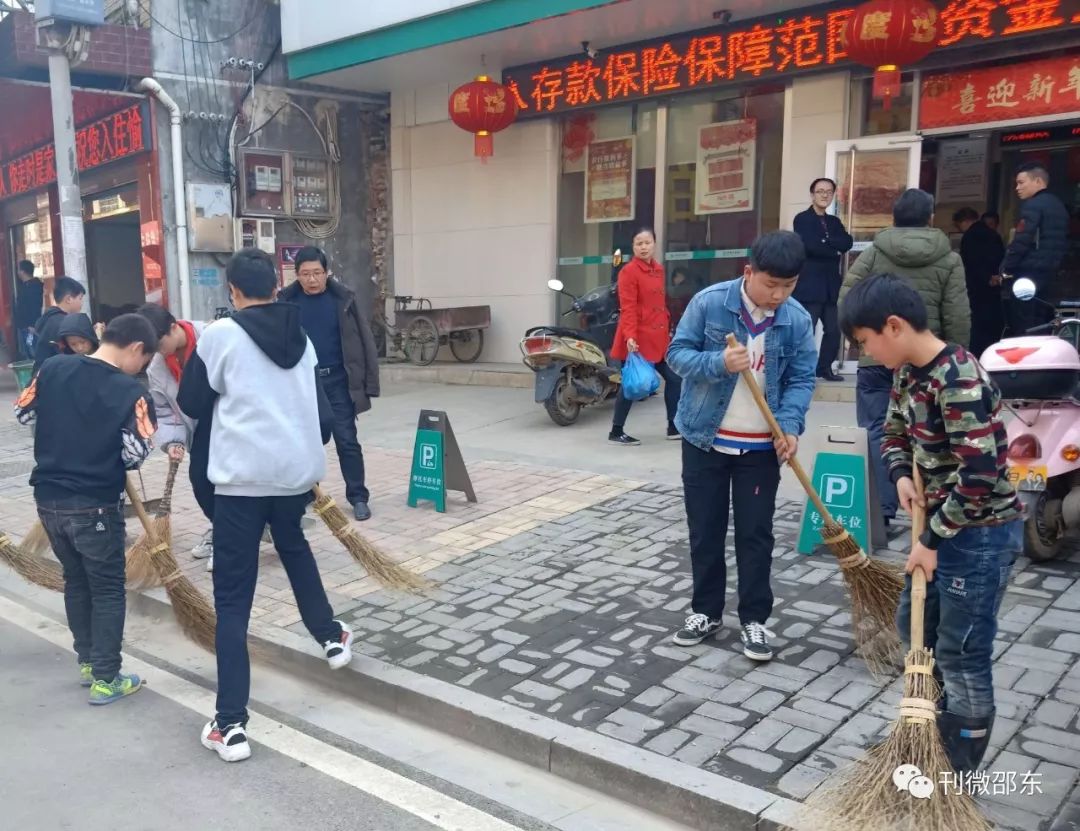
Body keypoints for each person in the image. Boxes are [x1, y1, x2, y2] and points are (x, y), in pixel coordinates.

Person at [840, 273, 1023, 773]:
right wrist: (901, 474)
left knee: (962, 650)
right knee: (915, 628)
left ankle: (959, 763)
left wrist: (931, 540)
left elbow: (981, 475)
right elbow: (895, 430)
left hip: (978, 534)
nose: (865, 352)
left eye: (864, 341)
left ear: (893, 326)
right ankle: (929, 735)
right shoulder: (908, 372)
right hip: (940, 523)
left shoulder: (958, 378)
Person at [178, 248, 354, 763]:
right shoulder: (300, 335)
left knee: (233, 601)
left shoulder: (219, 336)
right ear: (277, 288)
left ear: (232, 291)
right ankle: (332, 636)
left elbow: (192, 403)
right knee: (295, 549)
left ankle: (230, 724)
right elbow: (319, 412)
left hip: (242, 483)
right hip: (293, 475)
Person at [667, 231, 816, 661]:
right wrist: (718, 362)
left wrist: (789, 426)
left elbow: (802, 379)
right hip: (704, 439)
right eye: (771, 284)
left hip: (760, 450)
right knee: (705, 531)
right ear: (748, 272)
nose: (778, 295)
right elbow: (676, 354)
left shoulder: (797, 319)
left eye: (788, 286)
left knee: (756, 535)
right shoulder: (711, 303)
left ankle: (754, 620)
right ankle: (706, 612)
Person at [14, 314, 158, 704]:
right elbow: (135, 454)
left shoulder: (53, 367)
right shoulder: (131, 394)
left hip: (48, 498)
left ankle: (88, 662)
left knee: (75, 580)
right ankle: (106, 677)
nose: (141, 369)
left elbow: (23, 412)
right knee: (108, 588)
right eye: (144, 362)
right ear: (136, 349)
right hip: (94, 504)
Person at [840, 189, 970, 527]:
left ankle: (880, 512)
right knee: (929, 433)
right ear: (930, 218)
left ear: (894, 217)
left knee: (876, 431)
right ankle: (926, 511)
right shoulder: (949, 258)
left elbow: (847, 298)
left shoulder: (873, 254)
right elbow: (957, 314)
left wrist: (861, 343)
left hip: (877, 365)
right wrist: (954, 358)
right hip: (929, 362)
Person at [277, 247, 380, 521]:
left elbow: (364, 340)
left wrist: (369, 382)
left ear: (327, 272)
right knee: (308, 443)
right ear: (296, 275)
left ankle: (358, 497)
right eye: (305, 274)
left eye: (317, 273)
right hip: (303, 384)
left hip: (337, 381)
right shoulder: (286, 302)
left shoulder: (343, 299)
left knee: (347, 441)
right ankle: (311, 495)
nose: (312, 280)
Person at [137, 303, 216, 568]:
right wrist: (173, 440)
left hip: (229, 422)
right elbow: (165, 409)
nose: (158, 352)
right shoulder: (157, 367)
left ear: (173, 327)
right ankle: (223, 530)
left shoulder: (212, 337)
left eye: (159, 343)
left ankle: (232, 539)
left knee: (229, 482)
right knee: (201, 481)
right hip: (199, 426)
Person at [608, 227, 683, 445]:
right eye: (639, 243)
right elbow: (628, 307)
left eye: (647, 242)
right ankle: (616, 430)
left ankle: (673, 426)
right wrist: (630, 336)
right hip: (637, 339)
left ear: (654, 244)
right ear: (633, 247)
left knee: (674, 379)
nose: (643, 247)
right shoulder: (629, 272)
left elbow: (659, 305)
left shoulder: (657, 269)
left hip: (658, 338)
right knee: (631, 384)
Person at [792, 177, 853, 382]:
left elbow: (847, 242)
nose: (824, 195)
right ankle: (801, 371)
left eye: (828, 191)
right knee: (806, 330)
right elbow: (809, 246)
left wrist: (827, 243)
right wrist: (831, 248)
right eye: (820, 191)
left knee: (834, 329)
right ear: (812, 194)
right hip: (809, 285)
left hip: (831, 286)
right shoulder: (802, 219)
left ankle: (824, 368)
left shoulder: (834, 221)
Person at [1001, 162, 1069, 334]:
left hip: (1028, 275)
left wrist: (1006, 268)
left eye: (1021, 182)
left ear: (1038, 181)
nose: (1017, 188)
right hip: (1051, 276)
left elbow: (1022, 241)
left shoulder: (1033, 205)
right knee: (1046, 325)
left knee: (1025, 325)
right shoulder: (1059, 206)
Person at [953, 207, 1006, 357]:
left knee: (977, 330)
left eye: (958, 225)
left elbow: (971, 263)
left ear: (964, 221)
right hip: (994, 289)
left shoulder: (969, 237)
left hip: (976, 289)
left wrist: (984, 278)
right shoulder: (993, 234)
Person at [32, 276, 86, 374]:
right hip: (54, 377)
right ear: (69, 299)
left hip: (43, 375)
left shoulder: (49, 318)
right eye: (80, 298)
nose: (81, 303)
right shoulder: (64, 322)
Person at [14, 260, 43, 360]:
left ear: (22, 271)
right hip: (24, 326)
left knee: (32, 352)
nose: (17, 272)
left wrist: (32, 324)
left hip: (29, 327)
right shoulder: (27, 286)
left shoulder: (32, 287)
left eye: (18, 269)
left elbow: (34, 306)